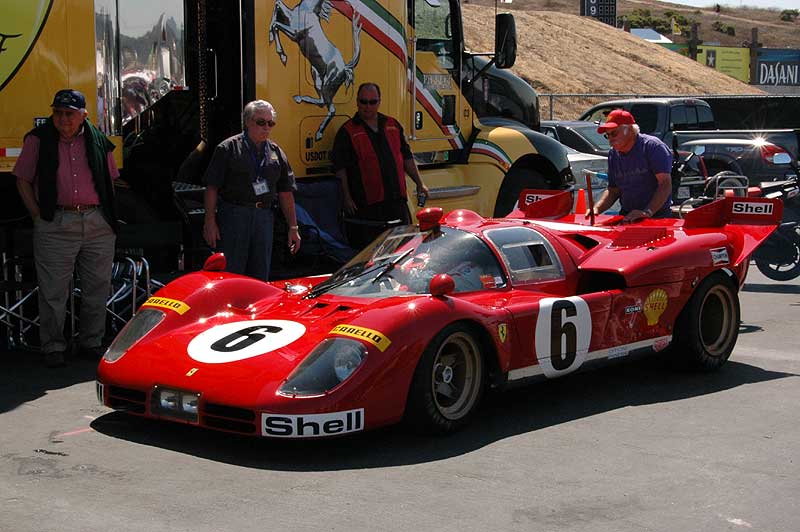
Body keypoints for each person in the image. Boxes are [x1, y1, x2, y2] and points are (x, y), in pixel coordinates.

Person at [13, 89, 118, 368]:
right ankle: (53, 345)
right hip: (55, 221)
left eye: (69, 114)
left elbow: (111, 180)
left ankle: (91, 341)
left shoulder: (98, 140)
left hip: (96, 220)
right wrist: (37, 215)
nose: (63, 119)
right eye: (58, 113)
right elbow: (22, 179)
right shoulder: (38, 140)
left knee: (97, 286)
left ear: (83, 115)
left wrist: (107, 218)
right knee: (53, 290)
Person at [203, 100, 301, 280]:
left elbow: (286, 192)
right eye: (261, 122)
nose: (266, 127)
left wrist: (293, 227)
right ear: (248, 122)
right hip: (234, 215)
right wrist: (209, 222)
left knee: (260, 273)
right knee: (232, 272)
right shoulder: (228, 148)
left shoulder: (276, 152)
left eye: (270, 123)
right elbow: (212, 187)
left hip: (263, 216)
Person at [332, 82, 429, 248]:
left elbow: (406, 157)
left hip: (396, 201)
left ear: (379, 101)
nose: (367, 106)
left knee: (402, 249)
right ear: (357, 102)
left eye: (372, 102)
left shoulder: (392, 125)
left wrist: (420, 183)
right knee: (371, 252)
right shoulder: (347, 131)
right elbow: (340, 169)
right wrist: (346, 198)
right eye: (363, 101)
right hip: (367, 206)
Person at [589, 109, 673, 222]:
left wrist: (647, 212)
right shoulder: (613, 154)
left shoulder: (652, 147)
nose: (610, 139)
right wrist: (596, 209)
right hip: (628, 216)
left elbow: (665, 184)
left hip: (657, 216)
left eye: (614, 133)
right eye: (607, 135)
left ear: (629, 129)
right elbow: (613, 190)